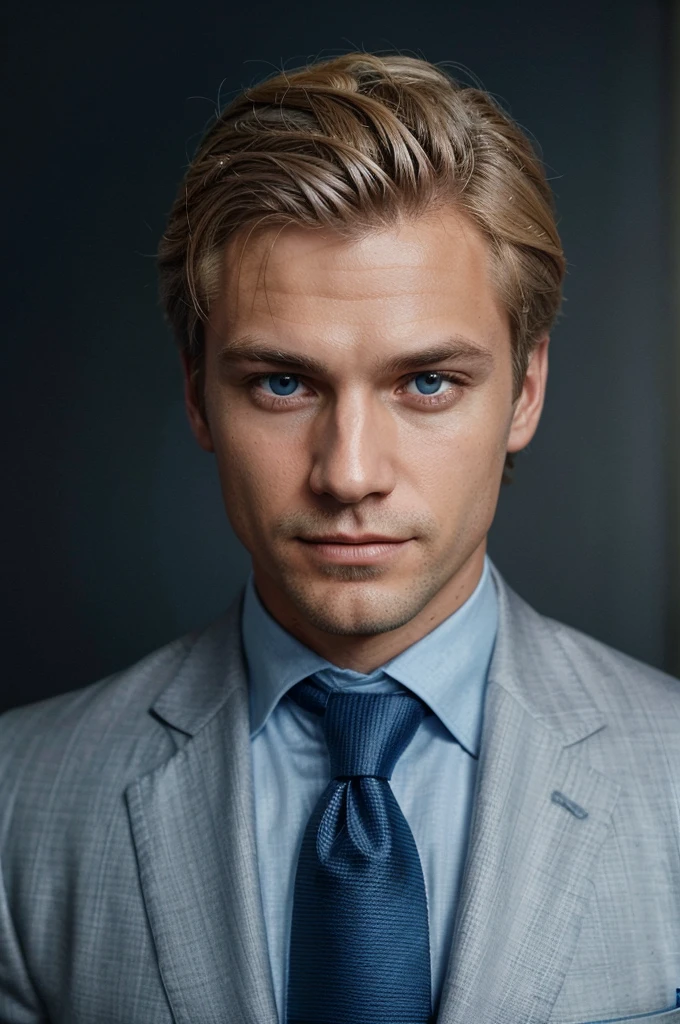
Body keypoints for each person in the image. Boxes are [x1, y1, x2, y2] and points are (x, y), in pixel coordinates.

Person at [1, 50, 679, 1024]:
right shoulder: (17, 802)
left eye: (425, 382)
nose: (348, 471)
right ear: (196, 392)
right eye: (282, 383)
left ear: (525, 388)